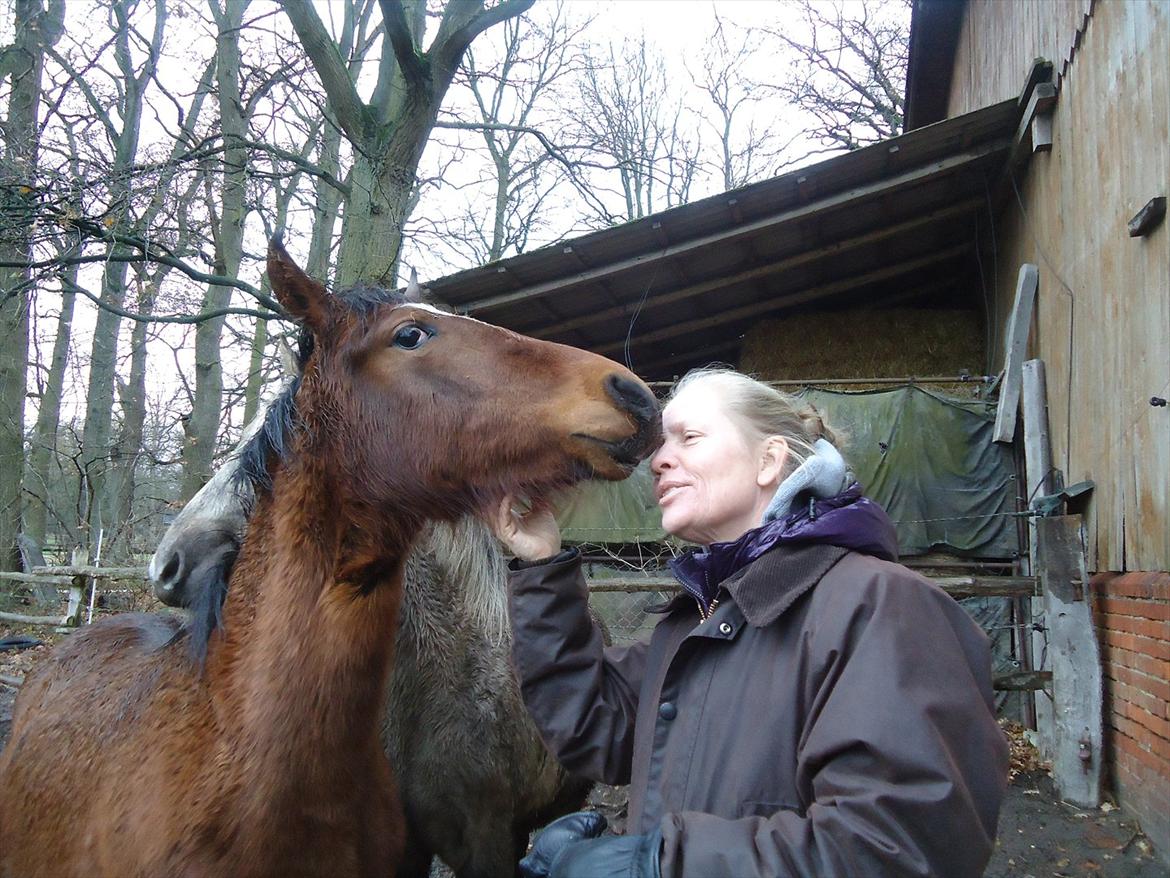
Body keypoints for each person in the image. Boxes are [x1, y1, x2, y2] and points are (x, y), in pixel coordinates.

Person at [492, 366, 1009, 878]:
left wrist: (658, 864)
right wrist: (542, 566)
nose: (658, 461)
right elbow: (592, 725)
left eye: (688, 438)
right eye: (660, 446)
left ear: (769, 460)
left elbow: (900, 845)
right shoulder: (696, 623)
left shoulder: (883, 606)